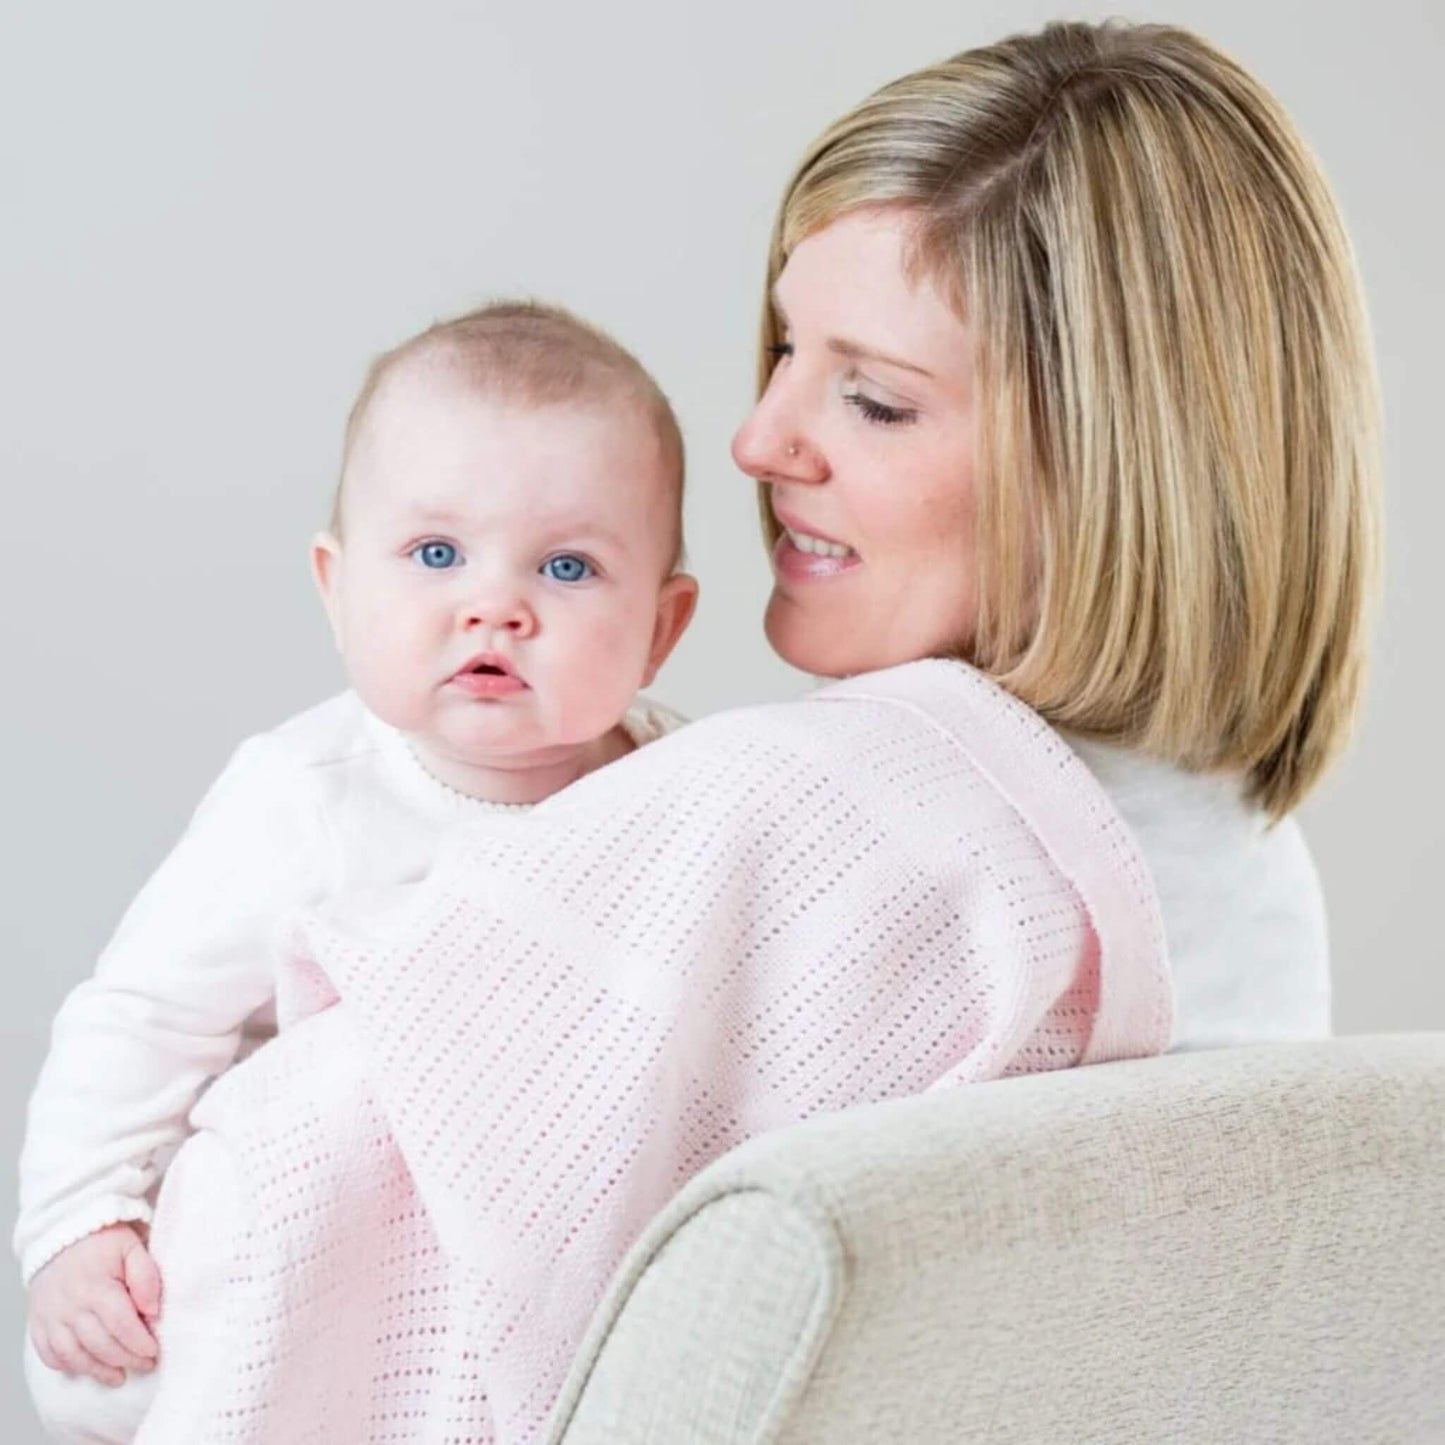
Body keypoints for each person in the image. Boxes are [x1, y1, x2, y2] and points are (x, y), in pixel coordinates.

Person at [35, 16, 1385, 1444]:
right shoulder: (1251, 879)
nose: (756, 438)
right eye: (785, 347)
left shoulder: (772, 817)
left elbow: (184, 1328)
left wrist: (89, 1257)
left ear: (1111, 461)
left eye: (872, 398)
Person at [17, 301, 700, 1440]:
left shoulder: (679, 789)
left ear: (660, 630)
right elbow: (139, 1017)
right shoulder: (306, 799)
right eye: (436, 554)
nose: (494, 605)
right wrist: (81, 1224)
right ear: (336, 588)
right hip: (327, 1245)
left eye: (567, 566)